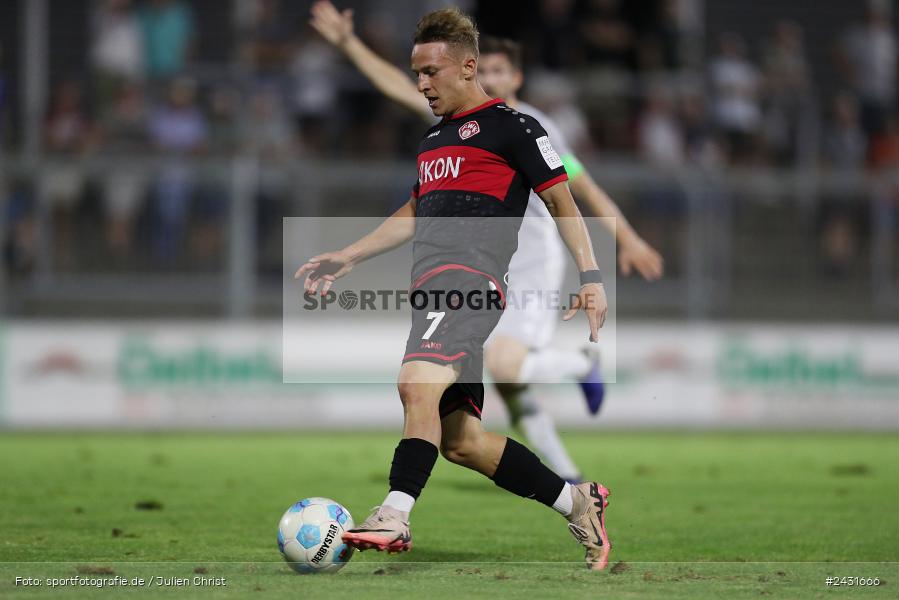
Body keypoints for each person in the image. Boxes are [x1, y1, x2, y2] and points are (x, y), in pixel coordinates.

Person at [296, 8, 613, 570]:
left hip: (471, 285)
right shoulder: (433, 139)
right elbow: (416, 210)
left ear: (468, 67)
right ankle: (578, 502)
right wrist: (350, 254)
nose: (421, 84)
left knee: (414, 384)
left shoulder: (515, 127)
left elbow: (562, 201)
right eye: (416, 73)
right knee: (463, 442)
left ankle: (395, 513)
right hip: (430, 290)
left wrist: (590, 276)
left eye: (430, 72)